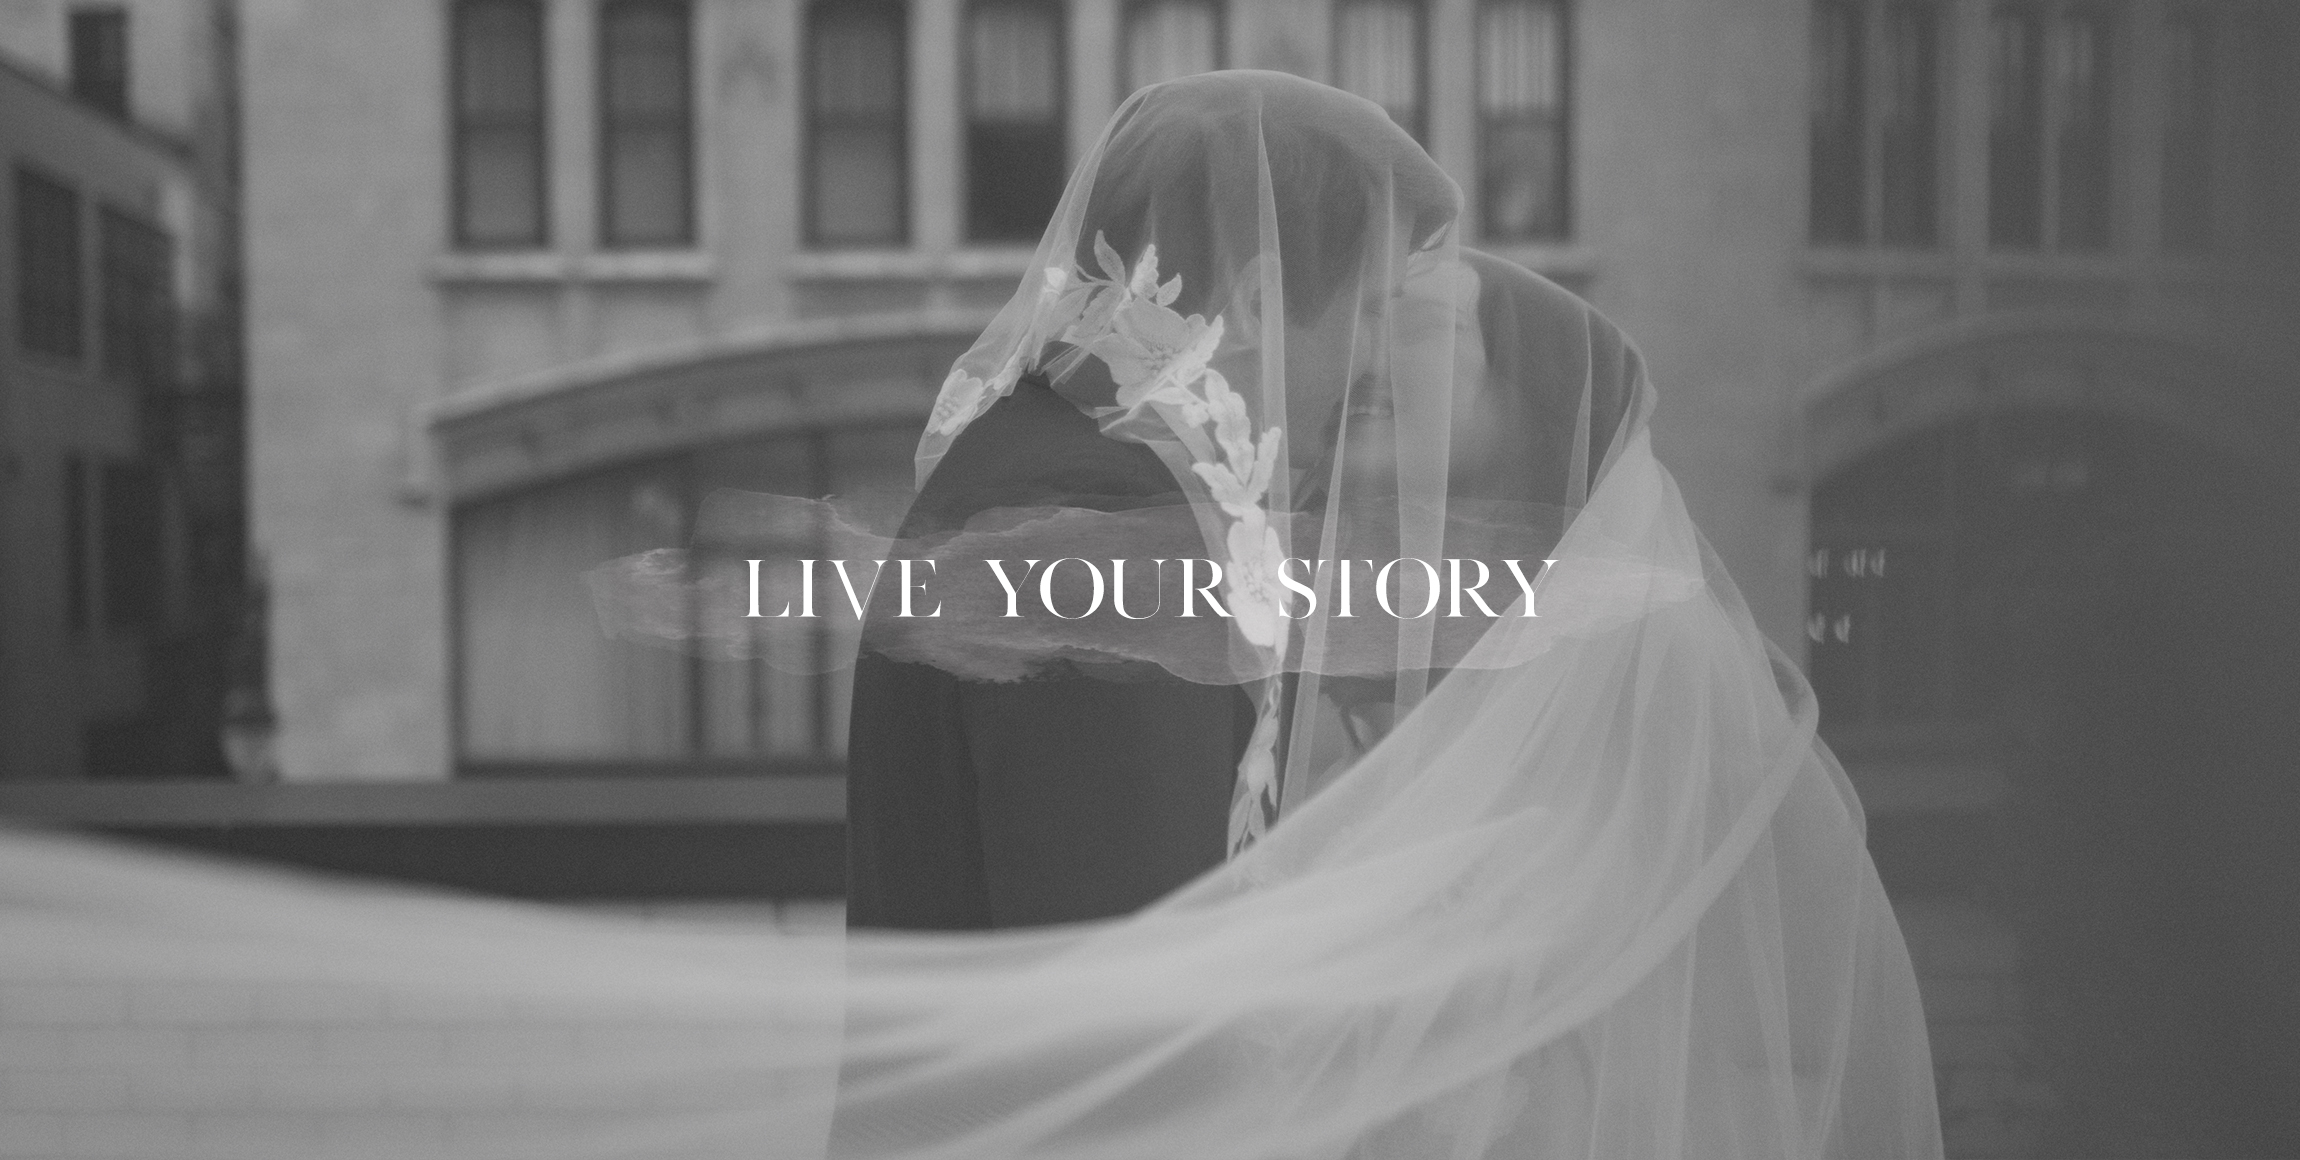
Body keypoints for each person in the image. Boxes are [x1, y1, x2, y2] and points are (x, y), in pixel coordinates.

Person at [0, 71, 1942, 1160]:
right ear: (1262, 285)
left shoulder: (1064, 478)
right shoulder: (1097, 529)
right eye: (1367, 309)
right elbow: (1150, 1044)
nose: (1367, 374)